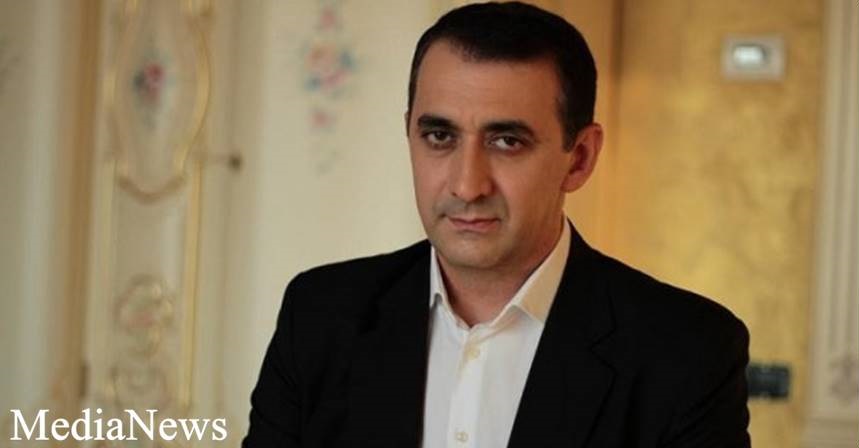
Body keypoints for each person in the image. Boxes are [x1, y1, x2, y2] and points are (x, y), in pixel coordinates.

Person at [242, 2, 751, 447]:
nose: (467, 185)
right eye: (439, 136)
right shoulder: (319, 317)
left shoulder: (686, 351)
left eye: (507, 142)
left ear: (579, 158)